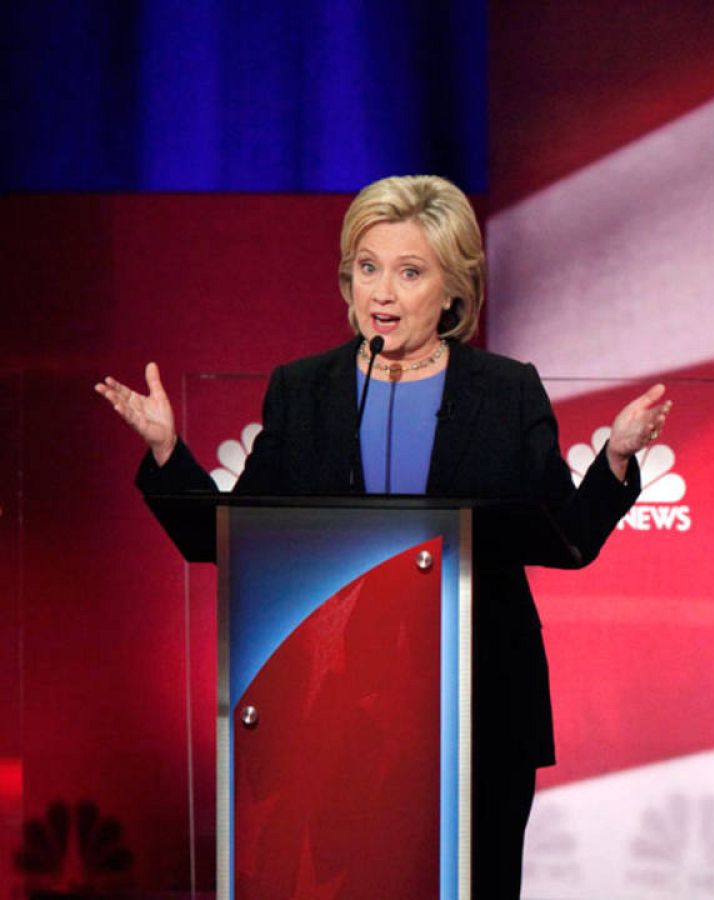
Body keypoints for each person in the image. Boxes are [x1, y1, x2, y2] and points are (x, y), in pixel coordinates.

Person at [96, 175, 671, 896]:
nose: (383, 294)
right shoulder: (304, 392)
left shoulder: (505, 391)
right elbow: (231, 539)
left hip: (477, 714)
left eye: (410, 271)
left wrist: (615, 459)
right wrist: (165, 454)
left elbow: (568, 539)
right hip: (334, 718)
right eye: (368, 268)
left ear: (454, 289)